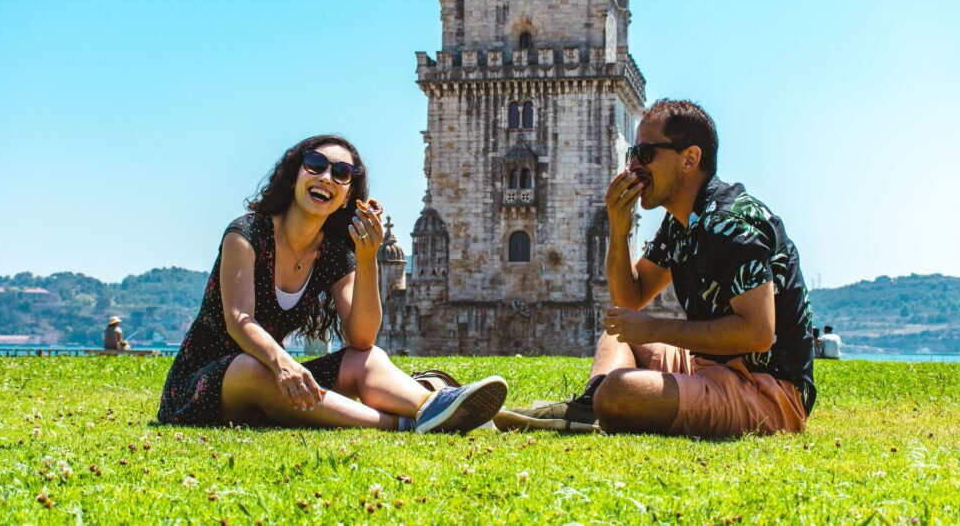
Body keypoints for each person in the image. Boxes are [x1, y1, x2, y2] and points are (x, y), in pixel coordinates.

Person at [495, 100, 815, 437]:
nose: (633, 166)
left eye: (645, 154)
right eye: (633, 153)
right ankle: (589, 407)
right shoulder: (681, 222)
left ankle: (602, 403)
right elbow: (629, 300)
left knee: (620, 391)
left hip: (768, 391)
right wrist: (618, 231)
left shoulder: (730, 224)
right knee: (617, 335)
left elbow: (758, 333)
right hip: (710, 367)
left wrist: (654, 328)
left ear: (689, 159)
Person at [158, 135, 507, 432]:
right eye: (315, 164)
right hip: (208, 384)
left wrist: (368, 257)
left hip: (277, 378)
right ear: (294, 174)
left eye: (341, 173)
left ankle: (433, 406)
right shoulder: (247, 233)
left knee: (367, 358)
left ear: (347, 194)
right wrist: (284, 363)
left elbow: (362, 338)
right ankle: (399, 424)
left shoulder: (334, 254)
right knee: (252, 366)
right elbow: (239, 320)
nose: (326, 176)